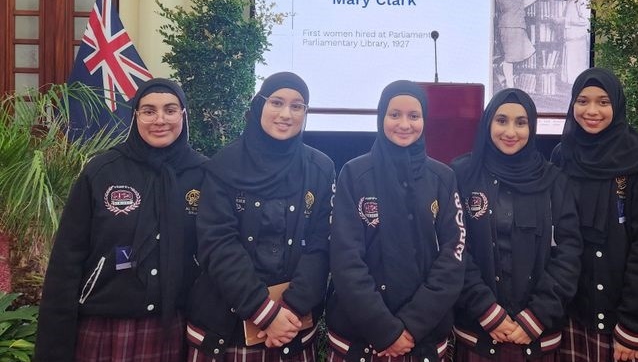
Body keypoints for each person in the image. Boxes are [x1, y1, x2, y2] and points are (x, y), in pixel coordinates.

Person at [35, 78, 207, 362]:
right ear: (135, 116)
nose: (160, 119)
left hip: (174, 323)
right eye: (149, 111)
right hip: (105, 324)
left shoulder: (204, 174)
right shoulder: (101, 171)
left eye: (170, 110)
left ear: (183, 115)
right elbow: (67, 259)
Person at [184, 72, 335, 361]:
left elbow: (321, 245)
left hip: (292, 328)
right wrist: (264, 312)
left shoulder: (320, 168)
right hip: (224, 326)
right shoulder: (224, 165)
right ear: (259, 105)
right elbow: (217, 244)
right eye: (276, 102)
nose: (286, 114)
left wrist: (290, 309)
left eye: (297, 106)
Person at [326, 80, 466, 362]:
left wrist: (412, 326)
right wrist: (384, 329)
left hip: (423, 339)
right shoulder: (354, 174)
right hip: (361, 338)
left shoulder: (443, 177)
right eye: (394, 115)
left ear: (425, 120)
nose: (404, 124)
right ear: (381, 118)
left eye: (414, 116)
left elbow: (454, 256)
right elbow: (345, 259)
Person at [450, 88, 582, 362]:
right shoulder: (462, 174)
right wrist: (488, 312)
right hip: (478, 333)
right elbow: (454, 251)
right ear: (488, 123)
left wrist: (536, 317)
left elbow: (568, 254)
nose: (511, 131)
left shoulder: (554, 180)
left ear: (531, 126)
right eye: (501, 120)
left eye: (521, 122)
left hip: (536, 337)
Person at [553, 68, 638, 362]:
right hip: (577, 311)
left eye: (603, 102)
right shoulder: (562, 155)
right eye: (582, 101)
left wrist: (632, 325)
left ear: (617, 106)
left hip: (627, 317)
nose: (591, 111)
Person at [494, 0, 567, 89]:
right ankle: (504, 77)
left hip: (504, 24)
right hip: (515, 25)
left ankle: (505, 75)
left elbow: (511, 5)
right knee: (512, 58)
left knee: (521, 53)